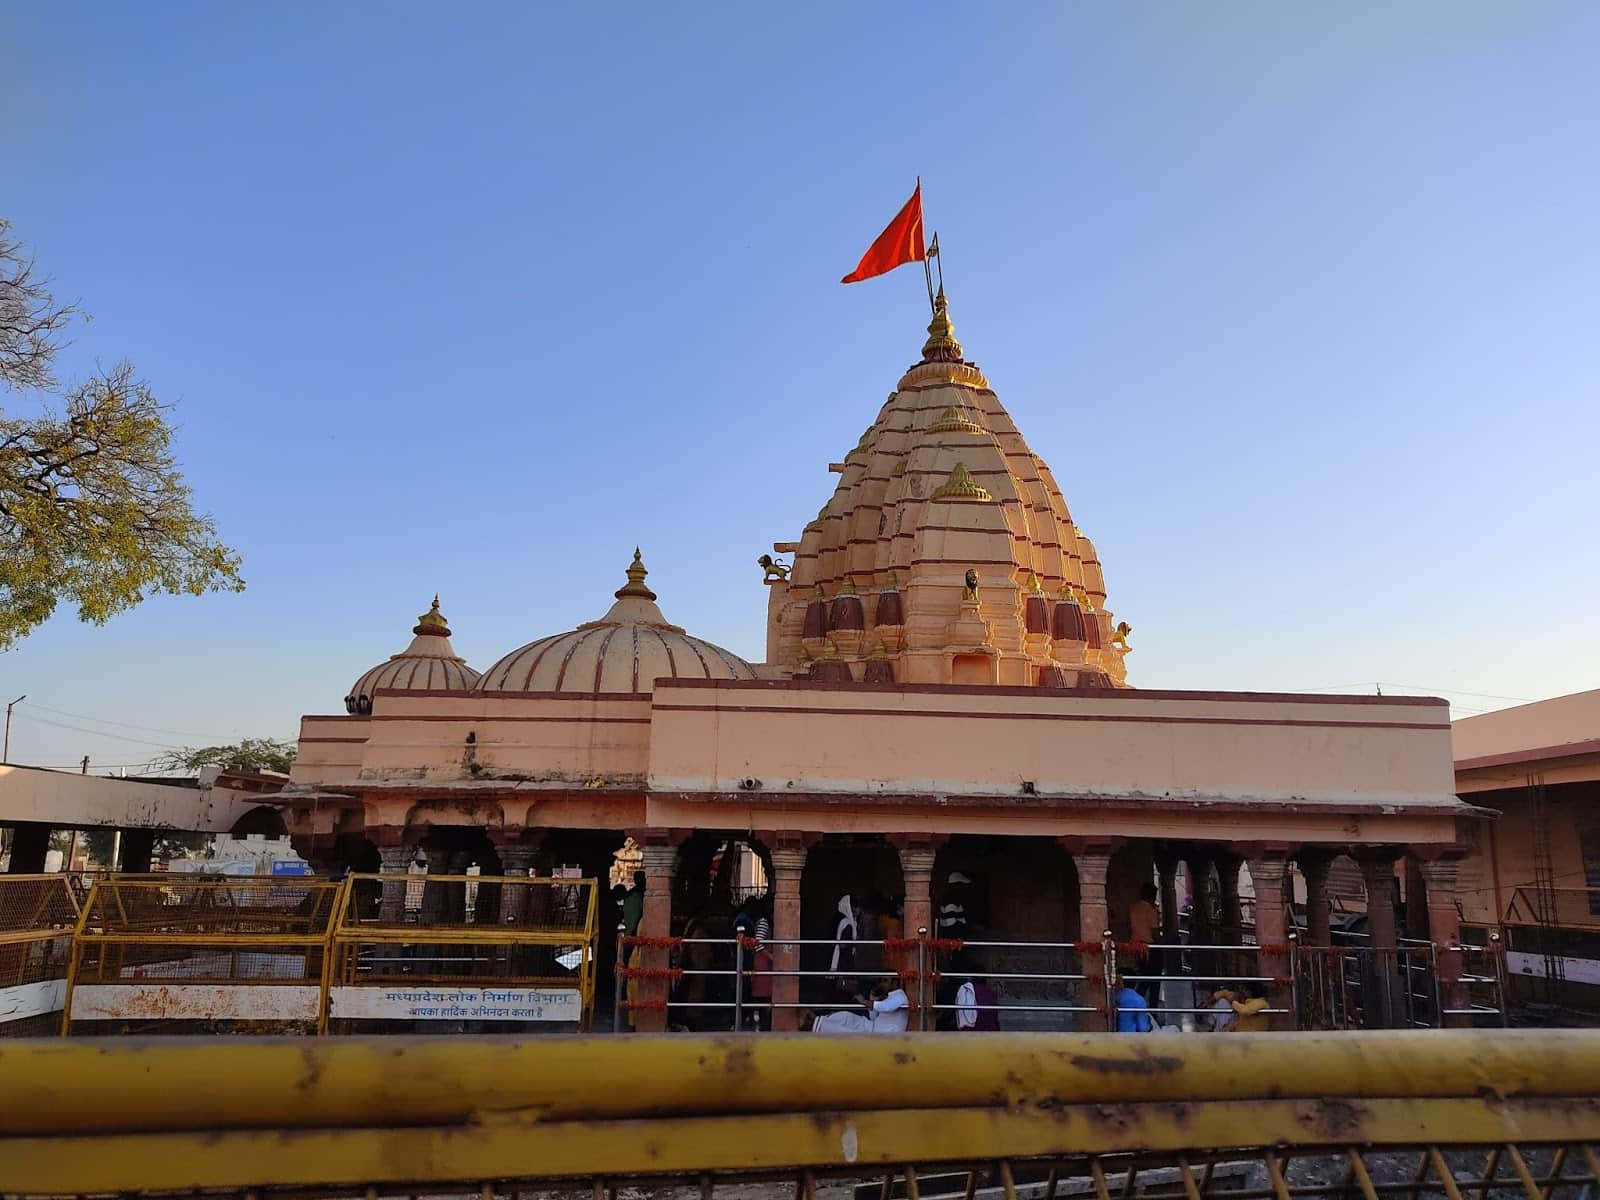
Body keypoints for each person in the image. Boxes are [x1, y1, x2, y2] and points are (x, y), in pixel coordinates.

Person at [1128, 883, 1161, 1004]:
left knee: (1143, 976)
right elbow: (1154, 931)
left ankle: (1138, 1002)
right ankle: (1152, 1006)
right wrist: (1162, 944)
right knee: (1153, 979)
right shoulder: (1150, 909)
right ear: (1151, 896)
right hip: (1150, 946)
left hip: (1136, 945)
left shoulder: (1133, 907)